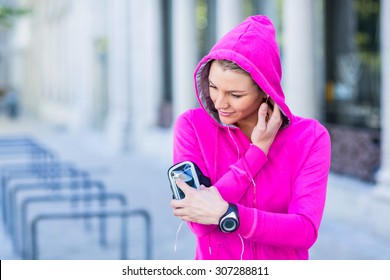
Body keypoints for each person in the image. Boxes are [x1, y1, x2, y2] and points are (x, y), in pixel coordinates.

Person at [170, 15, 331, 260]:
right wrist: (256, 154)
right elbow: (200, 226)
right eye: (213, 87)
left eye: (235, 94)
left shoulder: (311, 138)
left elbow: (304, 231)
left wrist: (227, 214)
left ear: (265, 90)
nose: (219, 102)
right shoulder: (192, 127)